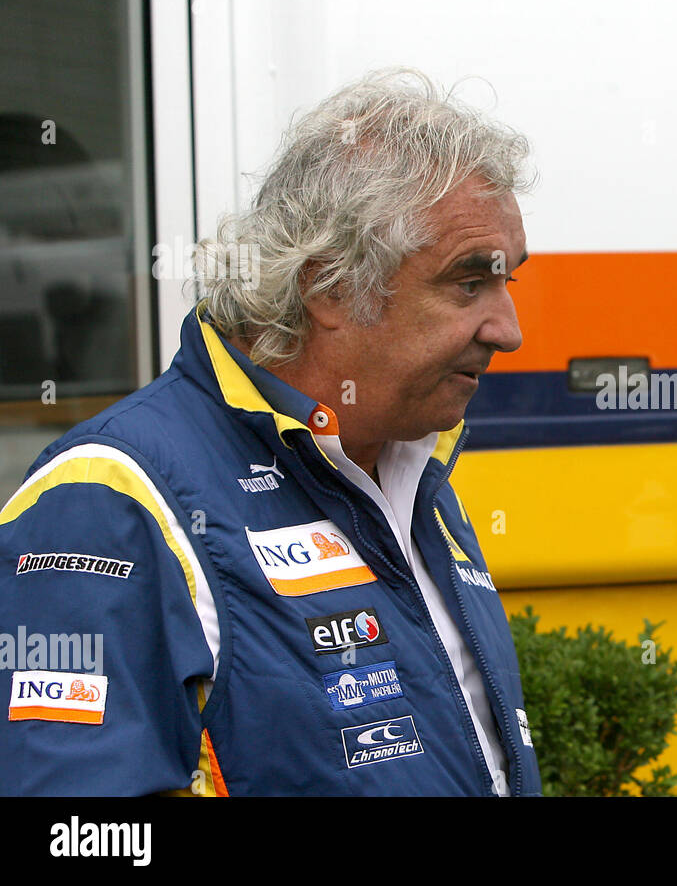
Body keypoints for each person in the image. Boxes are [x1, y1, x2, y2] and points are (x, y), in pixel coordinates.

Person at [0, 69, 542, 795]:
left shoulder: (412, 468)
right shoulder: (109, 504)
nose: (509, 330)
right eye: (468, 282)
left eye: (510, 282)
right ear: (330, 288)